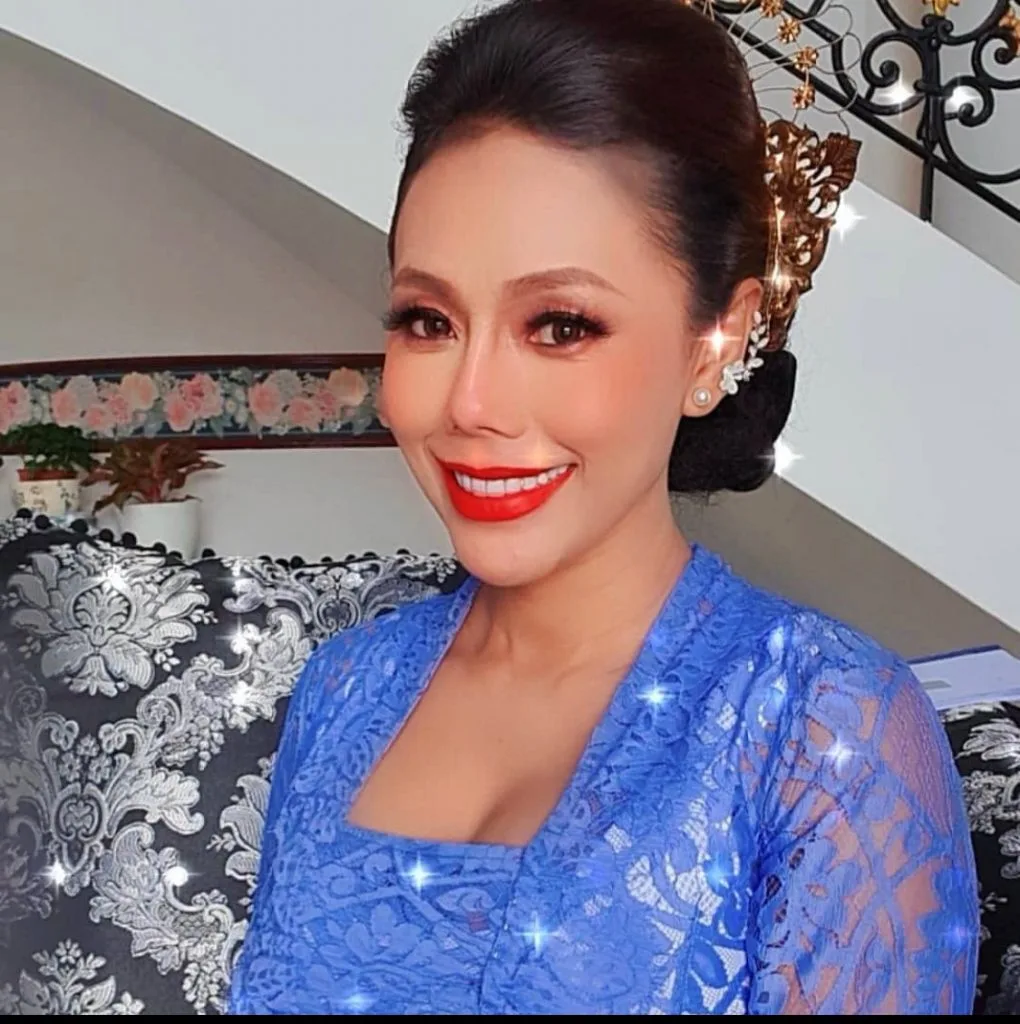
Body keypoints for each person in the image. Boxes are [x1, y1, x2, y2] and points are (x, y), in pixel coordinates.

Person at [228, 0, 979, 1014]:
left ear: (716, 342)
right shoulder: (344, 689)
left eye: (561, 325)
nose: (471, 404)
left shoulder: (823, 727)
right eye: (428, 320)